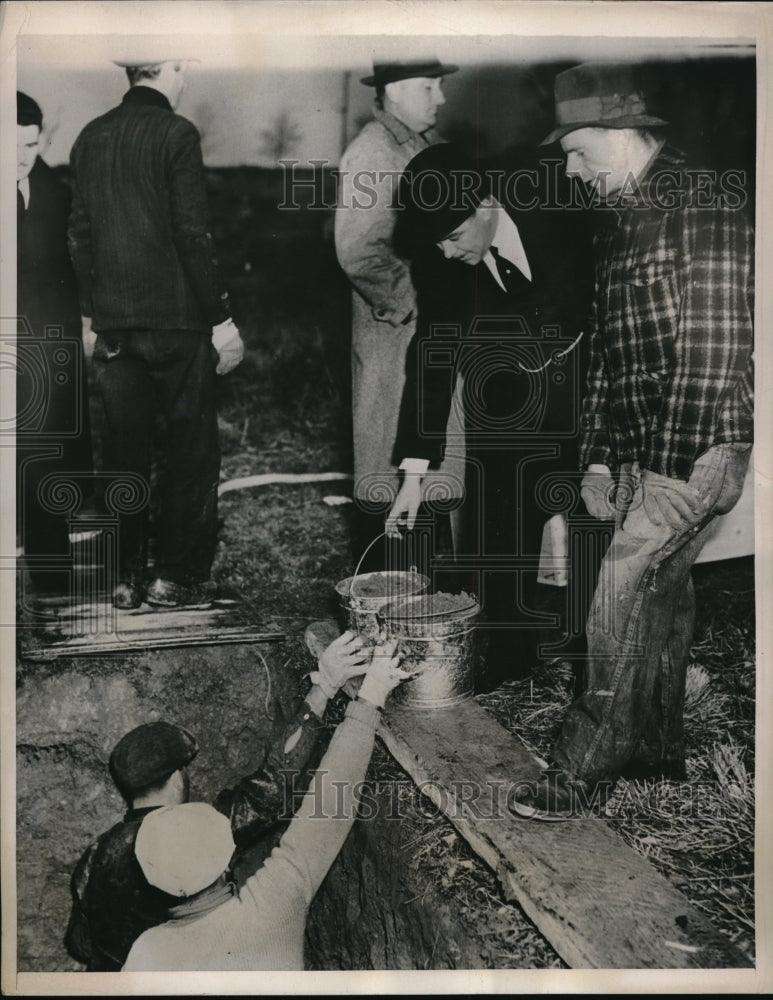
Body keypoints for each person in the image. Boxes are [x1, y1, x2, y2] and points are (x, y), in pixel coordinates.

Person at [511, 62, 754, 819]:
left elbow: (714, 346)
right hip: (646, 451)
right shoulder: (619, 218)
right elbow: (615, 360)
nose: (571, 169)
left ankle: (578, 773)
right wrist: (598, 456)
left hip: (699, 445)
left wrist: (662, 474)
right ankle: (652, 750)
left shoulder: (700, 202)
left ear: (623, 135)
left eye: (579, 151)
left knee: (615, 594)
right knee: (660, 597)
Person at [386, 142, 594, 691]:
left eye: (454, 235)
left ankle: (592, 655)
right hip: (506, 384)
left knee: (593, 517)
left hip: (591, 373)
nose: (446, 252)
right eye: (435, 241)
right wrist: (415, 471)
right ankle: (506, 653)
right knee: (495, 522)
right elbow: (432, 349)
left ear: (486, 204)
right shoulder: (445, 256)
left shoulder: (565, 201)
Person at [64, 630, 369, 971]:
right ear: (178, 776)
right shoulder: (197, 837)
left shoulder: (93, 858)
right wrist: (324, 686)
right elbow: (270, 788)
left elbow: (79, 944)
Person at [67, 53, 244, 611]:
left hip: (116, 325)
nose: (186, 77)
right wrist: (221, 319)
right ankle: (175, 577)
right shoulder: (176, 132)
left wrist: (93, 314)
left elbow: (78, 236)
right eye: (183, 68)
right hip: (177, 324)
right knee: (191, 451)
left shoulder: (90, 137)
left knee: (124, 451)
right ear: (166, 68)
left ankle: (123, 578)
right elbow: (193, 233)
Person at [122, 641, 411, 970]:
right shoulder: (269, 912)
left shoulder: (143, 954)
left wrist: (326, 686)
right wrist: (369, 694)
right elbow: (328, 806)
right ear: (226, 859)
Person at [335, 58, 466, 573]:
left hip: (426, 344)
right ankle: (386, 611)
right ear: (392, 90)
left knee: (426, 470)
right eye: (428, 86)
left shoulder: (424, 147)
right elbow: (358, 250)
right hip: (397, 341)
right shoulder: (374, 151)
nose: (440, 97)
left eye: (439, 85)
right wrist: (416, 303)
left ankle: (429, 602)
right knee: (390, 471)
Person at [16, 91, 93, 602]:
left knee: (45, 462)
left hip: (47, 352)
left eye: (31, 142)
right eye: (11, 143)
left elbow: (78, 269)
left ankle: (50, 575)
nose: (22, 154)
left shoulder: (57, 192)